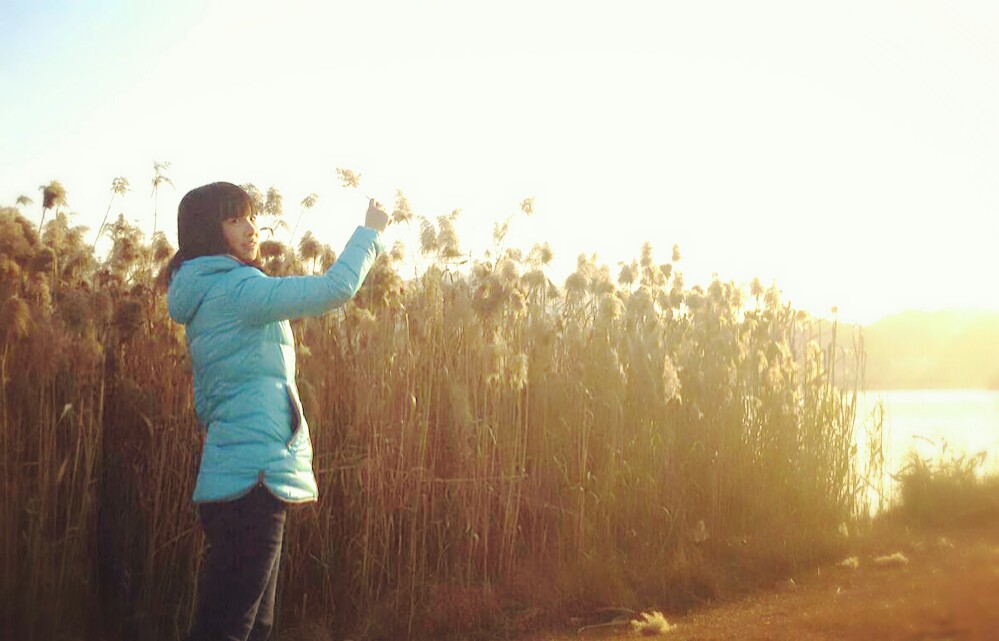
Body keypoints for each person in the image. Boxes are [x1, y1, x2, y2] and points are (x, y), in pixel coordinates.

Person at [166, 181, 388, 641]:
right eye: (234, 219)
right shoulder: (238, 289)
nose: (251, 227)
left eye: (250, 215)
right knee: (230, 628)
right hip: (254, 480)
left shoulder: (204, 295)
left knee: (250, 626)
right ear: (209, 230)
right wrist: (370, 232)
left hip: (233, 478)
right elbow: (335, 288)